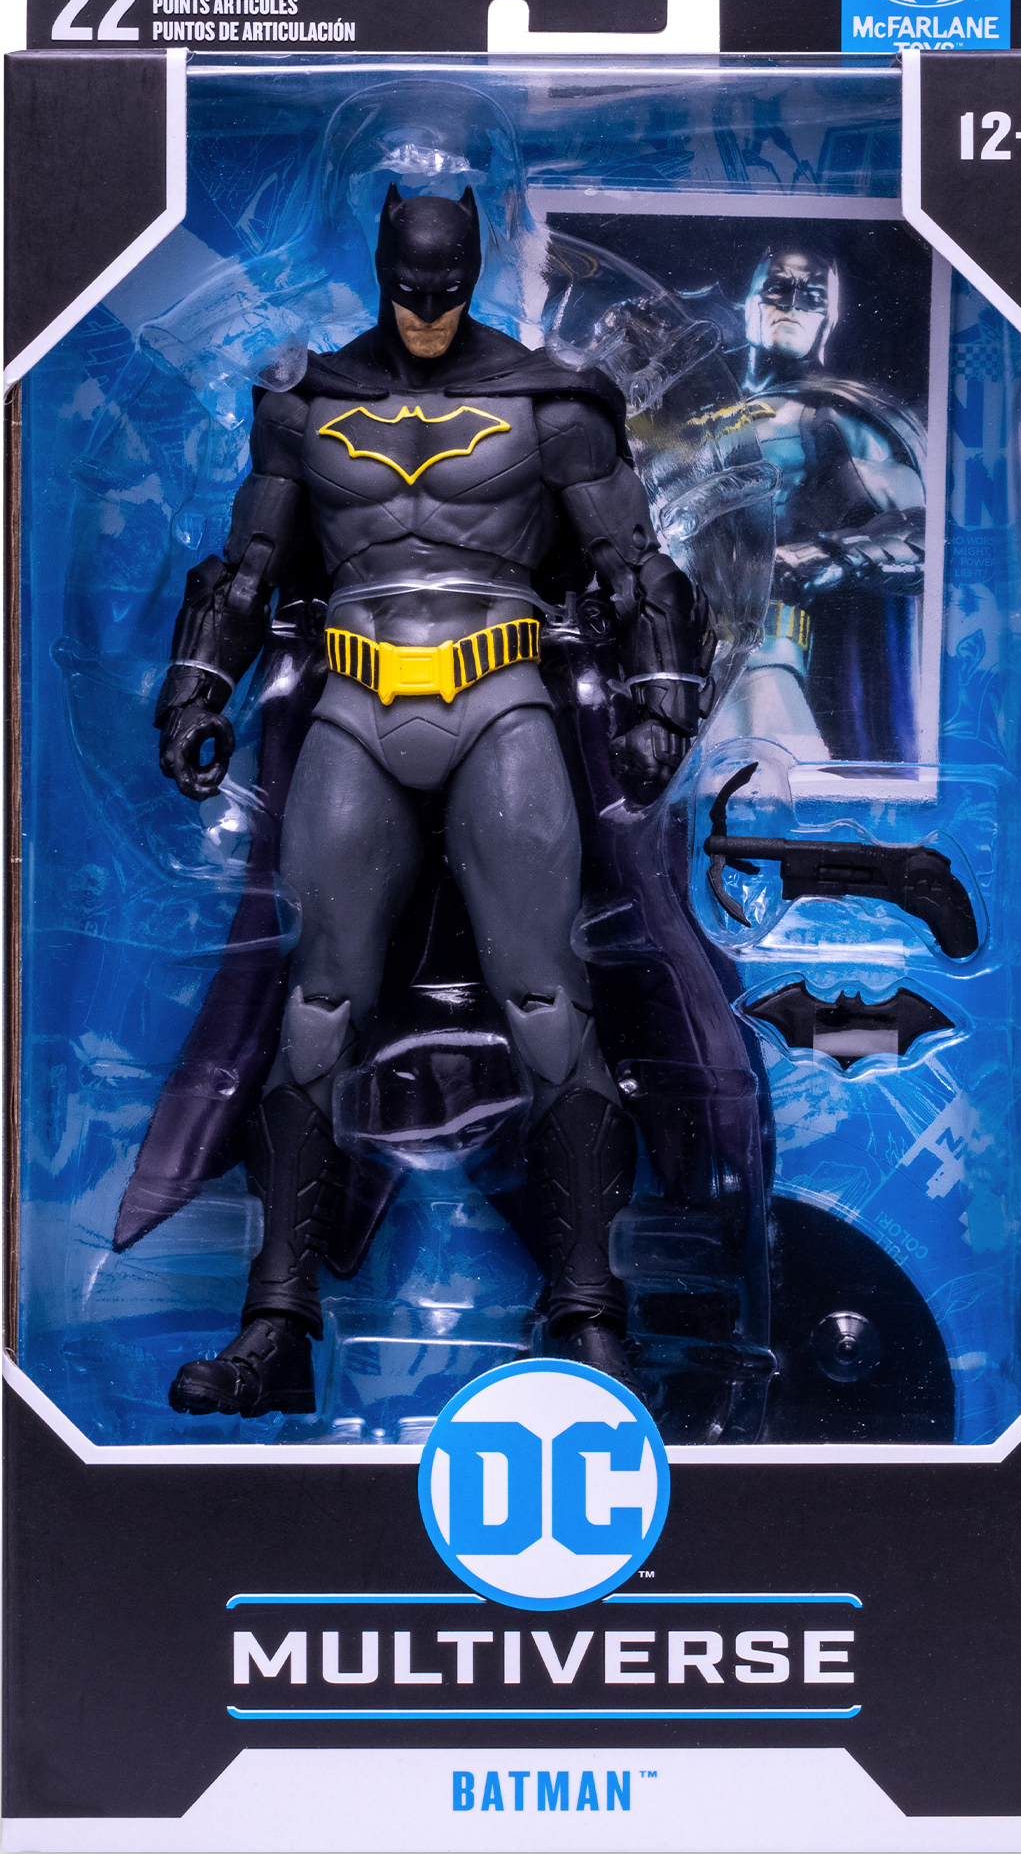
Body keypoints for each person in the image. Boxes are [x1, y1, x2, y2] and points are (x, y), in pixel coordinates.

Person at [144, 184, 709, 1416]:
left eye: (446, 291)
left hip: (500, 696)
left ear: (473, 268)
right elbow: (247, 567)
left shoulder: (549, 400)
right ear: (382, 264)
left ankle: (586, 1315)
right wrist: (195, 688)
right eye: (410, 290)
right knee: (314, 1005)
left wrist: (662, 702)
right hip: (352, 703)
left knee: (545, 998)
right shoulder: (305, 400)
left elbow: (633, 566)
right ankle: (276, 1326)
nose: (428, 311)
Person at [719, 246, 927, 764]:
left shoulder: (835, 418)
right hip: (681, 659)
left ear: (828, 319)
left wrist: (827, 556)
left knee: (777, 771)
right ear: (747, 300)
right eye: (778, 288)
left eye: (811, 296)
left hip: (774, 650)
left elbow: (922, 532)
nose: (792, 304)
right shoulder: (704, 421)